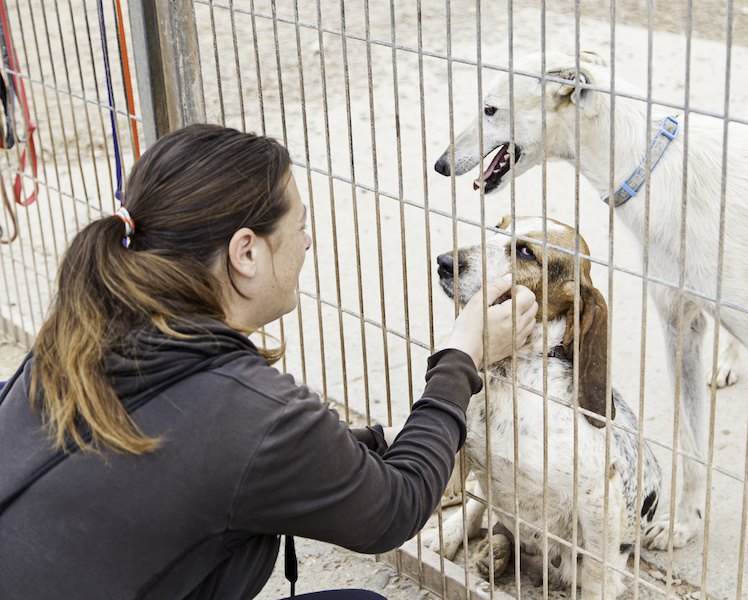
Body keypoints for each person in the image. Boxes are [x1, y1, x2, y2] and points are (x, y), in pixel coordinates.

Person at [0, 124, 538, 600]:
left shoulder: (71, 337)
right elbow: (395, 509)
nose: (308, 242)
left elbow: (207, 454)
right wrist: (462, 355)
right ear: (246, 252)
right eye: (299, 226)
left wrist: (363, 445)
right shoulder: (248, 413)